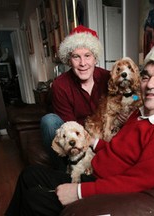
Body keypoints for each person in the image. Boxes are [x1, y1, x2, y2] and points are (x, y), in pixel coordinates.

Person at [5, 43, 154, 216]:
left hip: (107, 189)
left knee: (34, 199)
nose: (149, 84)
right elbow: (119, 148)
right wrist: (94, 142)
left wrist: (80, 192)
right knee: (29, 174)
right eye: (146, 76)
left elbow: (141, 182)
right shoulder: (142, 112)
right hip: (92, 169)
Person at [40, 25, 110, 170]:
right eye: (76, 57)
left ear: (95, 58)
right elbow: (69, 126)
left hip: (103, 132)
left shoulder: (108, 77)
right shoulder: (60, 85)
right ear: (68, 60)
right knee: (49, 121)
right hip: (77, 135)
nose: (83, 63)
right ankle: (62, 172)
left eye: (87, 56)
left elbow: (135, 95)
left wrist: (128, 107)